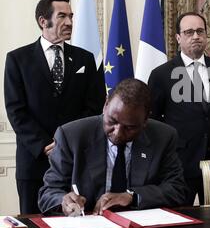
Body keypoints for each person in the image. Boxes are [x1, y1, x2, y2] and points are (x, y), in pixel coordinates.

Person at [4, 0, 105, 214]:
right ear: (43, 21)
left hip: (76, 160)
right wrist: (44, 144)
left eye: (71, 16)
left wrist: (67, 142)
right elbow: (16, 111)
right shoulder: (17, 59)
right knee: (35, 225)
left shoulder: (86, 59)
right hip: (34, 162)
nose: (69, 22)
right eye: (62, 16)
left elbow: (95, 106)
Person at [38, 79, 187, 216]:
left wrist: (132, 196)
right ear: (105, 105)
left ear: (145, 120)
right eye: (112, 121)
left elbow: (176, 189)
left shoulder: (163, 136)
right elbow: (48, 192)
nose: (118, 133)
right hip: (89, 225)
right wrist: (63, 201)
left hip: (140, 226)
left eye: (129, 128)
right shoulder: (72, 135)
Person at [148, 12, 210, 205]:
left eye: (200, 31)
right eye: (188, 32)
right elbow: (153, 118)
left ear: (206, 36)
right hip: (180, 161)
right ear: (178, 38)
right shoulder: (161, 74)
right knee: (181, 218)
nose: (195, 36)